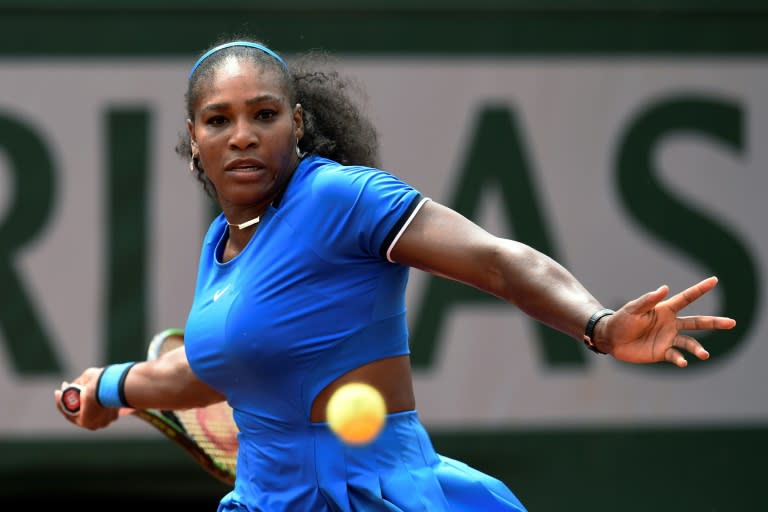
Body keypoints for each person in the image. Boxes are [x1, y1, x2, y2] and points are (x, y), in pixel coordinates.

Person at [54, 36, 737, 512]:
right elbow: (207, 369)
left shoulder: (339, 198)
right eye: (219, 119)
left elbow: (500, 261)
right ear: (194, 140)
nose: (242, 135)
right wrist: (109, 387)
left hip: (376, 493)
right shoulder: (220, 246)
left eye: (263, 115)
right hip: (270, 500)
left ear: (295, 124)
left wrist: (597, 324)